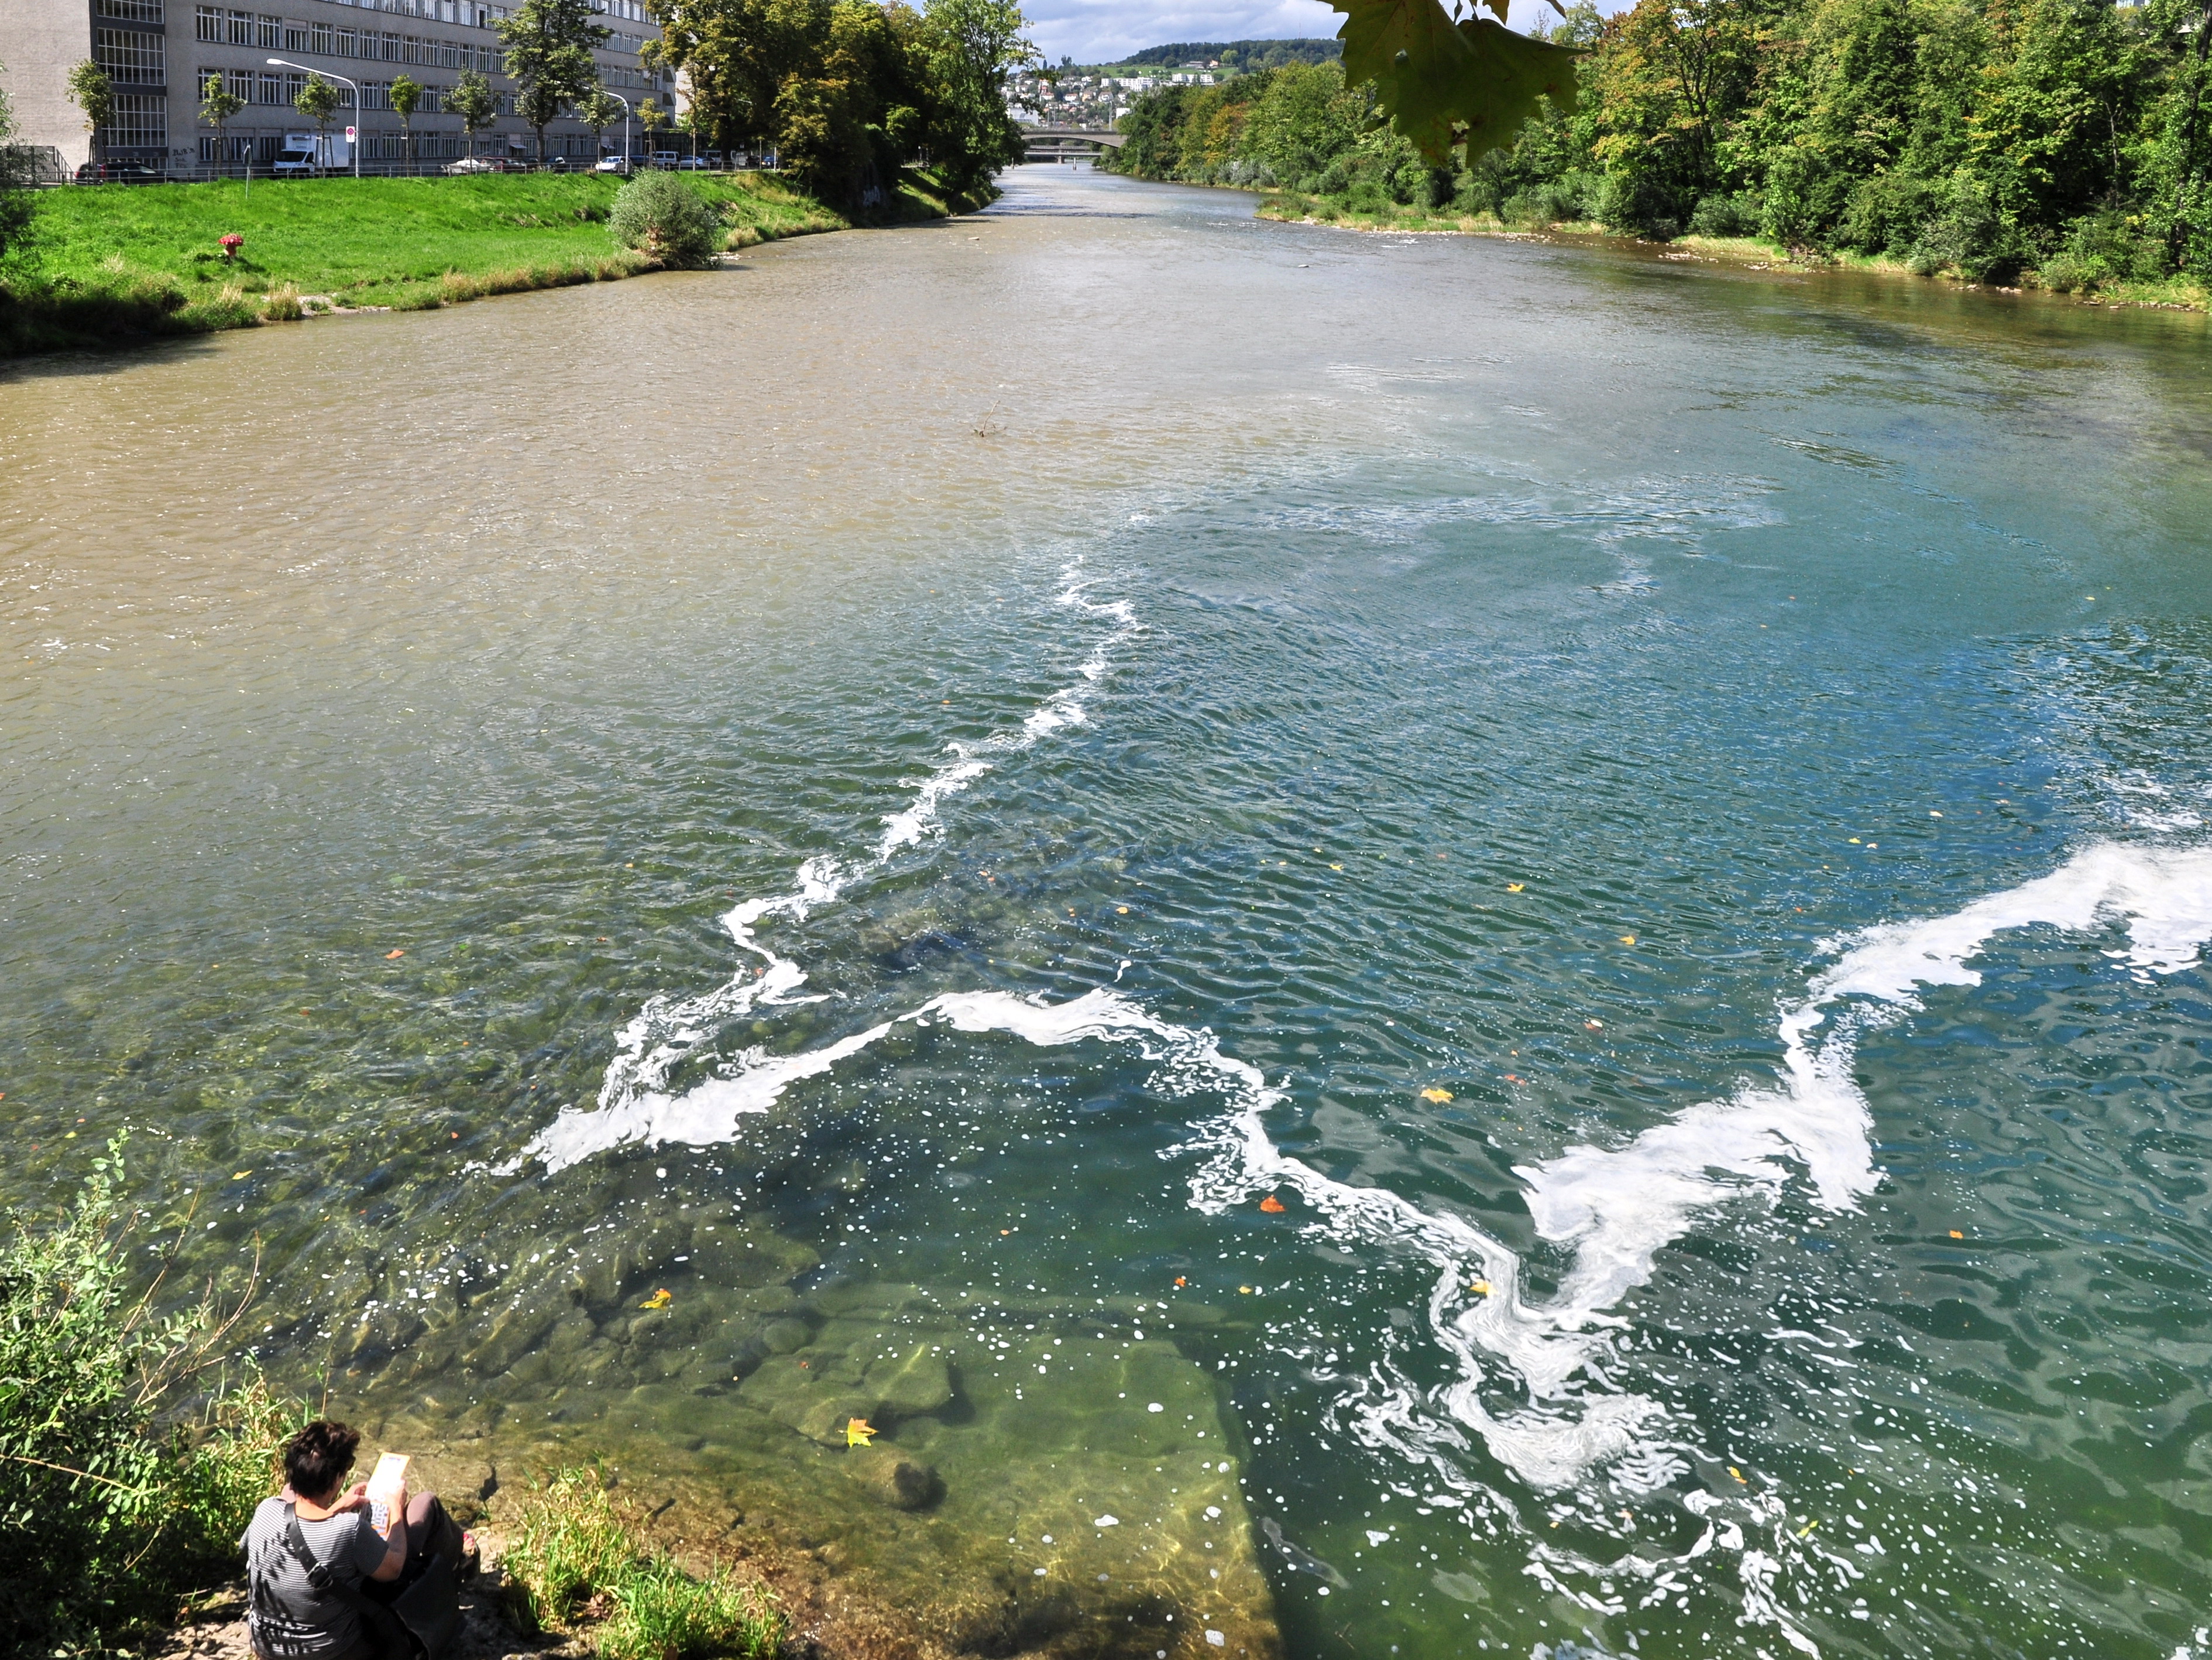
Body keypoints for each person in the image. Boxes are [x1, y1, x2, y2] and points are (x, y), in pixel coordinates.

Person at [242, 1420, 473, 1660]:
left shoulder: (266, 1510)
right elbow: (393, 1569)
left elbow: (299, 1539)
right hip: (333, 1652)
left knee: (290, 1499)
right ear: (337, 1479)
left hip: (267, 1647)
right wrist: (396, 1508)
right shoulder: (348, 1530)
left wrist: (337, 1507)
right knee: (426, 1505)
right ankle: (459, 1569)